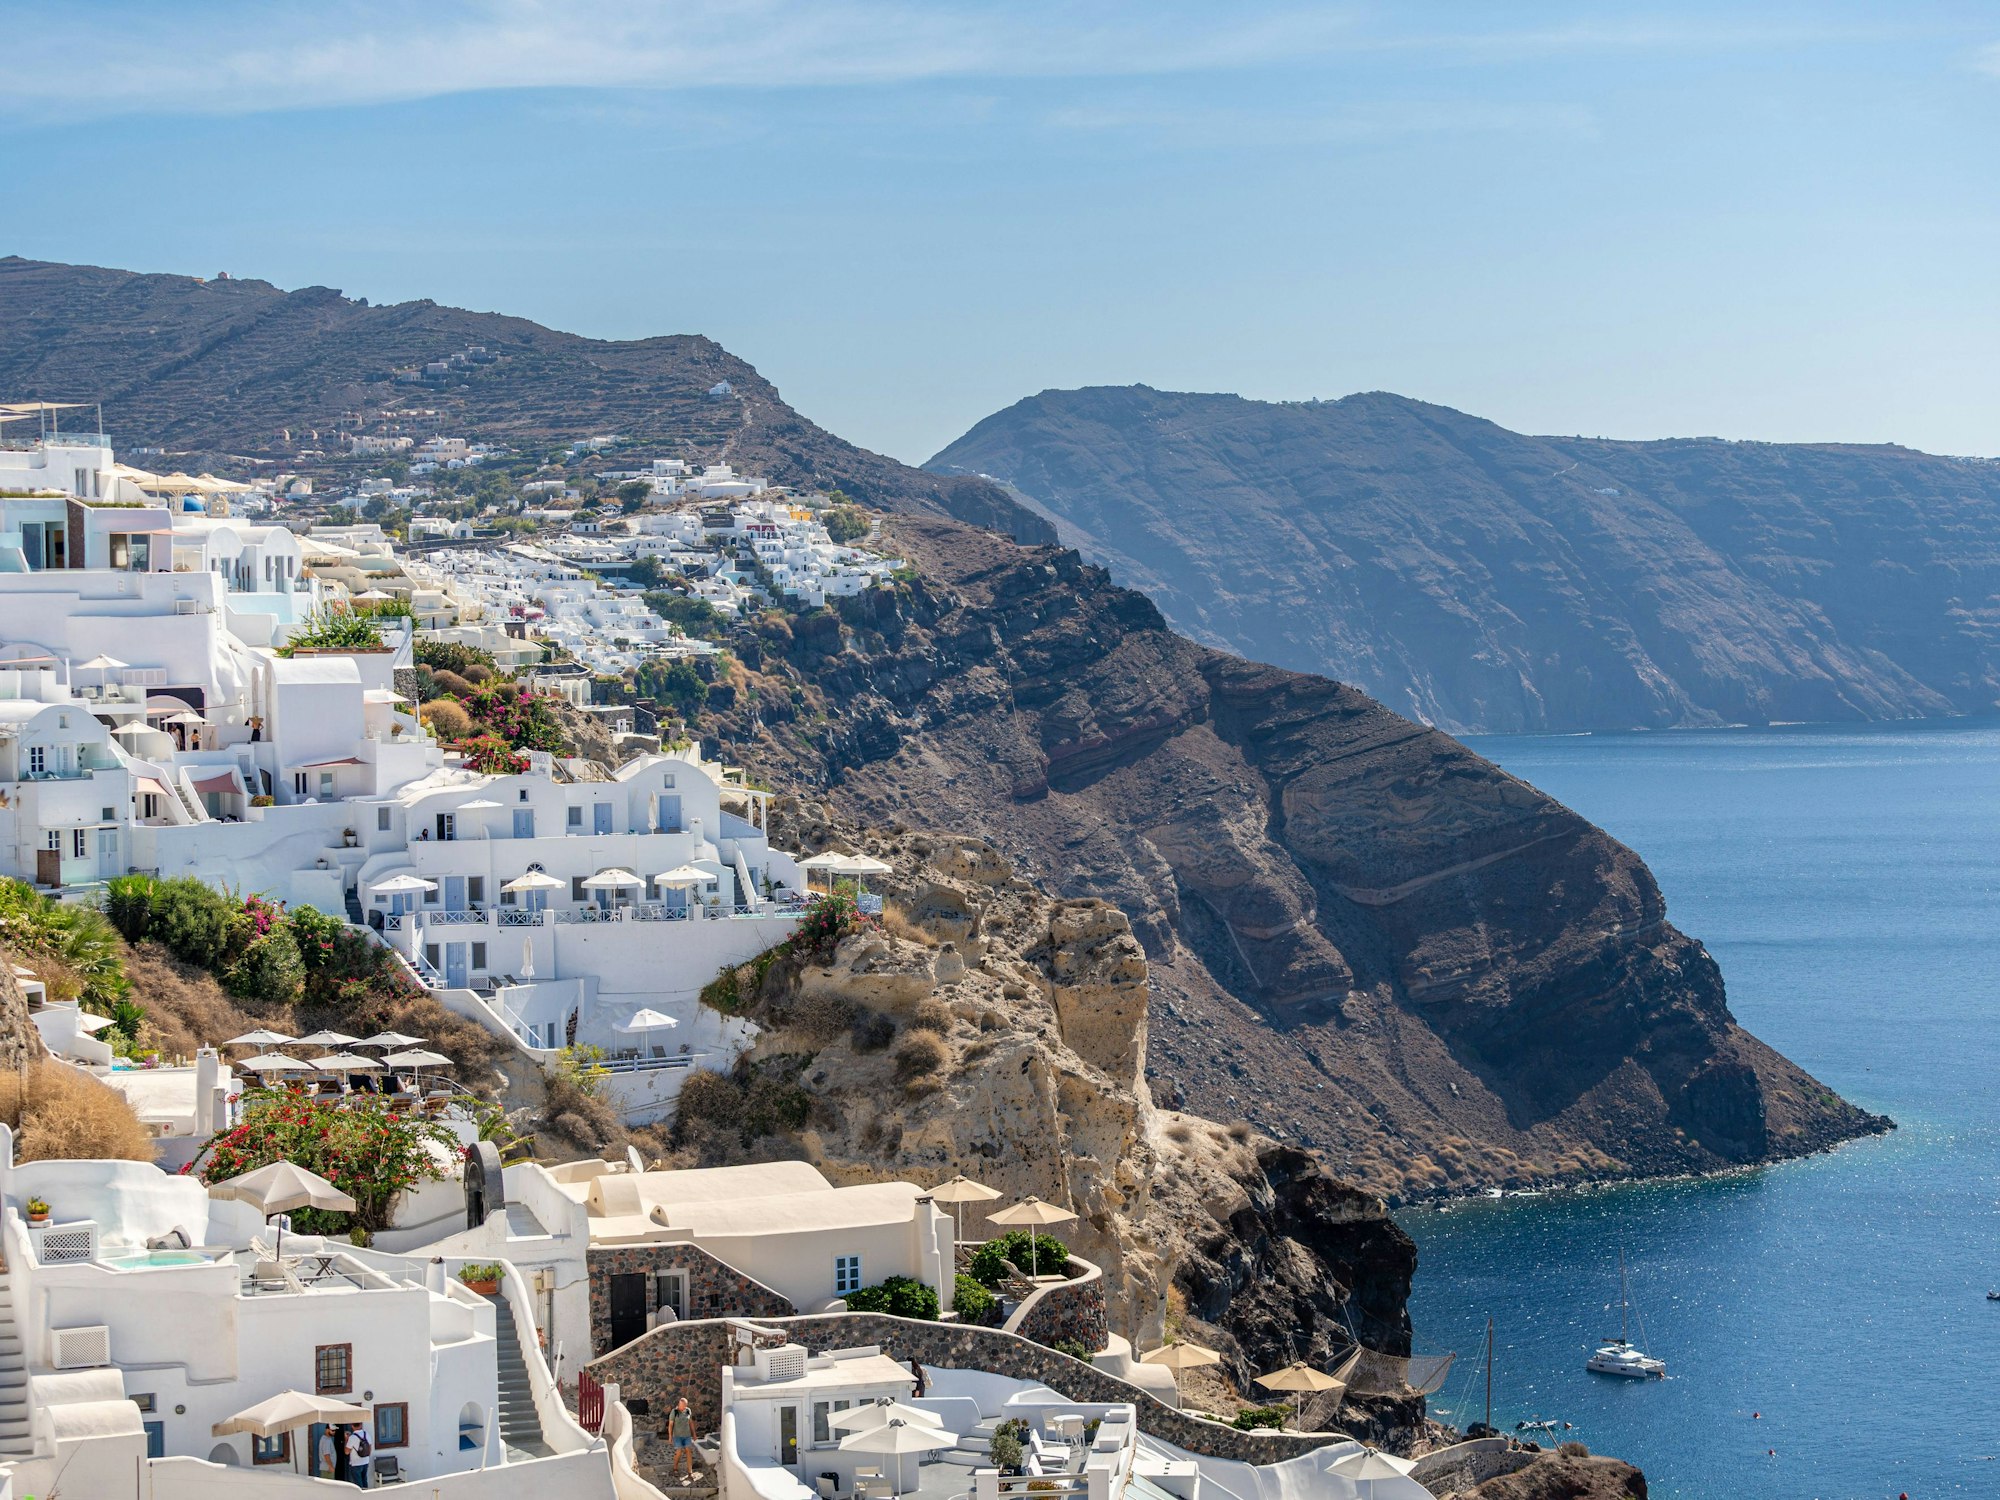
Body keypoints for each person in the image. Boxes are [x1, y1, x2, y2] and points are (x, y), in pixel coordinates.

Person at [668, 1396, 699, 1482]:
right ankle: (675, 1468)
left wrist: (694, 1434)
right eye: (681, 1405)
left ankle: (690, 1472)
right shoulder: (674, 1412)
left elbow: (691, 1423)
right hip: (677, 1436)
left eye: (684, 1405)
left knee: (688, 1451)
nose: (682, 1407)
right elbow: (670, 1425)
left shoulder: (688, 1411)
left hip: (687, 1436)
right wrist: (670, 1436)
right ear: (679, 1404)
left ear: (686, 1405)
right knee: (679, 1451)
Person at [344, 1423, 372, 1488]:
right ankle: (366, 1496)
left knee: (358, 1484)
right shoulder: (367, 1434)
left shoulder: (352, 1438)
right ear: (361, 1425)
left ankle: (360, 1497)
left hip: (356, 1464)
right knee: (364, 1480)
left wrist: (346, 1440)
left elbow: (346, 1452)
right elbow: (369, 1449)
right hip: (365, 1462)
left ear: (352, 1426)